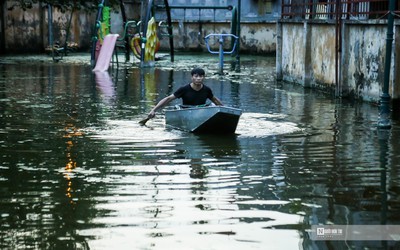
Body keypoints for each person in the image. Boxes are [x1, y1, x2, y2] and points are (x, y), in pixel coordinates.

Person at [146, 67, 223, 120]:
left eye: (201, 76)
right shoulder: (184, 89)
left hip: (201, 112)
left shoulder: (207, 89)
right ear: (192, 77)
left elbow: (215, 100)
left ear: (204, 77)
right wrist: (153, 110)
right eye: (196, 76)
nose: (198, 78)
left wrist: (225, 111)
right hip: (187, 112)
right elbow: (168, 99)